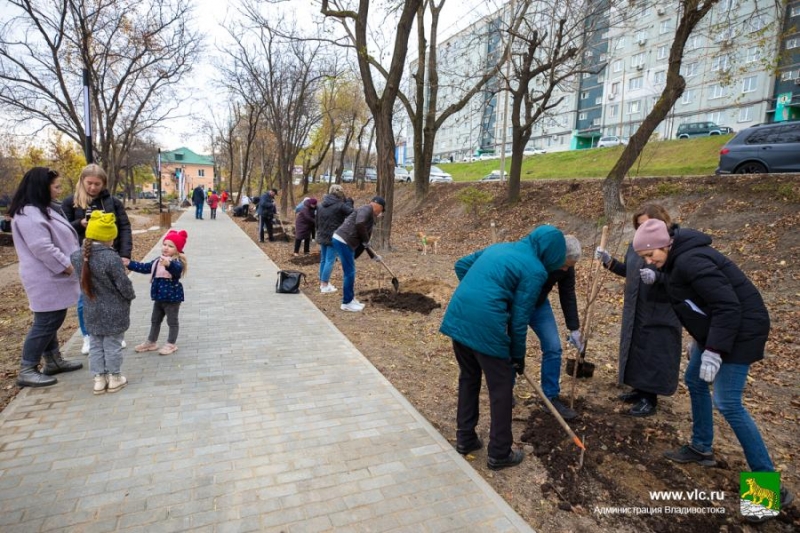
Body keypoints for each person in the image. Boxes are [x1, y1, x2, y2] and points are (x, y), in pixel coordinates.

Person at [632, 218, 794, 512]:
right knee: (695, 381)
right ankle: (701, 447)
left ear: (665, 244)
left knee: (728, 403)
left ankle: (768, 491)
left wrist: (714, 349)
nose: (649, 261)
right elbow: (692, 298)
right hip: (716, 330)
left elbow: (727, 306)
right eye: (644, 257)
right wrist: (700, 339)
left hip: (741, 331)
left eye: (650, 255)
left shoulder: (691, 260)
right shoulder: (675, 260)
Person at [440, 225, 567, 470]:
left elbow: (461, 265)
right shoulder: (535, 270)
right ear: (550, 252)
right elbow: (519, 320)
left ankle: (465, 439)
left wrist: (480, 293)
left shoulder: (499, 247)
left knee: (469, 377)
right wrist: (517, 356)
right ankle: (499, 453)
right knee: (501, 389)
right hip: (487, 326)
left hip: (459, 317)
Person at [595, 204, 682, 417]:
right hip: (636, 306)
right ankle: (639, 389)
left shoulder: (672, 245)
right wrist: (609, 262)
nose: (642, 229)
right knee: (636, 349)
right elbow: (629, 271)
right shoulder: (637, 245)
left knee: (653, 352)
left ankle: (649, 398)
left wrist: (658, 277)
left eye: (645, 224)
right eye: (639, 226)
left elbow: (681, 278)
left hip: (660, 310)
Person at [8, 167, 83, 387]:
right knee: (47, 321)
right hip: (46, 276)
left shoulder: (40, 210)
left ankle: (53, 360)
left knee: (50, 319)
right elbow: (43, 248)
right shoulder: (29, 215)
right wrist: (68, 267)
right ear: (42, 187)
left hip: (51, 275)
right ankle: (27, 368)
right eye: (56, 186)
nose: (59, 190)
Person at [62, 164, 133, 355]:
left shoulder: (112, 202)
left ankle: (114, 333)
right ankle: (88, 336)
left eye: (97, 184)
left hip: (111, 255)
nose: (93, 187)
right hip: (84, 257)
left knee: (113, 296)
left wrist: (125, 254)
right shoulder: (71, 202)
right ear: (82, 181)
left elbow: (124, 227)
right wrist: (80, 223)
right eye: (89, 183)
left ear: (104, 184)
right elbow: (62, 229)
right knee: (85, 297)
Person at [70, 211, 136, 394]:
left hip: (91, 308)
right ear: (108, 237)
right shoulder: (111, 258)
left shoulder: (77, 256)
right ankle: (115, 378)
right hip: (114, 309)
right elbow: (123, 284)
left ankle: (99, 379)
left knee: (95, 345)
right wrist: (130, 296)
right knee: (113, 345)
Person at [526, 234, 584, 421]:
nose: (566, 269)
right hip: (517, 303)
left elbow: (567, 293)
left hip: (539, 305)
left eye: (570, 266)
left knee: (553, 347)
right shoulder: (535, 258)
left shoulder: (567, 266)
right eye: (565, 265)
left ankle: (550, 397)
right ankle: (505, 392)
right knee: (511, 348)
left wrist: (574, 328)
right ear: (556, 256)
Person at [127, 229, 188, 356]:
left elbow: (177, 270)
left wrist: (168, 264)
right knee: (155, 320)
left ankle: (171, 343)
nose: (166, 247)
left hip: (172, 298)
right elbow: (145, 268)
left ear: (177, 249)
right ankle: (151, 341)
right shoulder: (157, 260)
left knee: (172, 322)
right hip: (159, 297)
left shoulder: (177, 262)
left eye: (170, 246)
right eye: (164, 244)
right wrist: (129, 264)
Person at [332, 196, 385, 312]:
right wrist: (366, 240)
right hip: (343, 240)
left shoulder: (369, 217)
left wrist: (374, 256)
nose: (380, 213)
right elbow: (360, 224)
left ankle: (350, 299)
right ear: (378, 206)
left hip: (345, 241)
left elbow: (365, 243)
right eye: (381, 210)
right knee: (350, 272)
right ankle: (346, 303)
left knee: (350, 271)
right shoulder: (367, 209)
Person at [316, 184, 353, 293]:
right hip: (333, 236)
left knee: (323, 260)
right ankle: (324, 285)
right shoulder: (340, 205)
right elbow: (352, 213)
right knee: (330, 260)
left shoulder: (321, 205)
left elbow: (316, 221)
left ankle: (322, 282)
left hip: (322, 234)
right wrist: (349, 202)